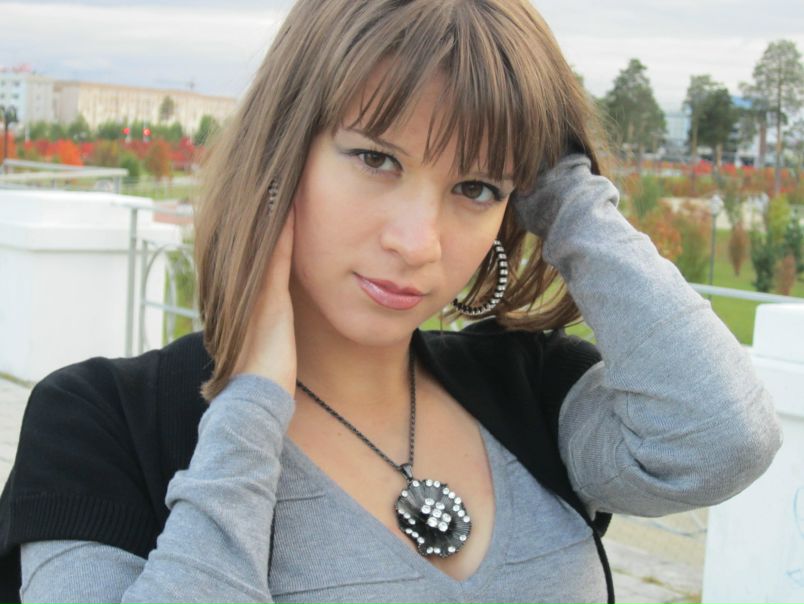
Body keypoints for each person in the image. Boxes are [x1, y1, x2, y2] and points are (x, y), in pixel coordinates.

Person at [0, 0, 783, 602]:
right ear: (281, 151)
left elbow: (722, 439)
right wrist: (251, 406)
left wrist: (557, 175)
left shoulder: (532, 391)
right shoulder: (103, 424)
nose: (418, 242)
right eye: (376, 159)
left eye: (475, 188)